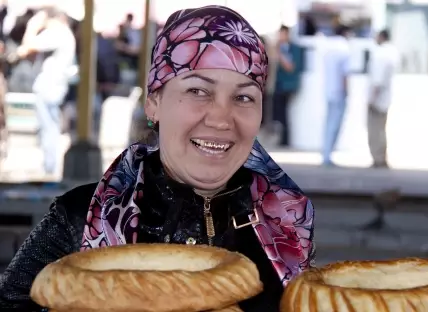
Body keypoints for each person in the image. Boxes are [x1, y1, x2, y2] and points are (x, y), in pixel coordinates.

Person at [0, 6, 316, 312]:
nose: (222, 119)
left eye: (244, 97)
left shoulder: (287, 224)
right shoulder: (78, 217)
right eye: (198, 91)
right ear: (154, 103)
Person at [15, 7, 76, 175]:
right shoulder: (65, 34)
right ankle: (50, 166)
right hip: (55, 85)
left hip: (49, 85)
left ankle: (49, 168)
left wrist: (32, 26)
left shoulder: (57, 32)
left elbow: (26, 48)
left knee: (48, 126)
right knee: (51, 124)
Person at [367, 29, 398, 168]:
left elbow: (377, 80)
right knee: (381, 129)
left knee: (375, 130)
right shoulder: (392, 53)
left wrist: (372, 99)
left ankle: (378, 158)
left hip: (378, 98)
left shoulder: (380, 55)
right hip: (385, 98)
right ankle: (381, 157)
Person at [321, 24, 351, 166]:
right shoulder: (344, 48)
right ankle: (328, 156)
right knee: (335, 124)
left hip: (328, 90)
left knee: (328, 123)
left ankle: (325, 153)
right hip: (339, 91)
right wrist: (347, 91)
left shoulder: (328, 47)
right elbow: (344, 74)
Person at [272, 25, 304, 147]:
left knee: (283, 113)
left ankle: (285, 140)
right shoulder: (276, 48)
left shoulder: (294, 49)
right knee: (279, 113)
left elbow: (290, 67)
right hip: (278, 85)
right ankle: (281, 138)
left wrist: (279, 54)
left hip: (288, 85)